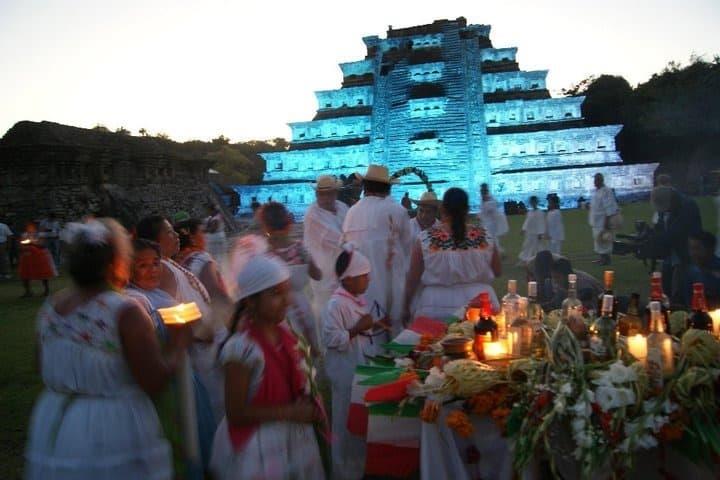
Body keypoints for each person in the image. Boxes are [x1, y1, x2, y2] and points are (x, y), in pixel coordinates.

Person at [25, 219, 192, 479]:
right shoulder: (125, 312)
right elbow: (154, 381)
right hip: (111, 428)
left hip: (57, 422)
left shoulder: (51, 308)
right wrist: (178, 342)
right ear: (116, 261)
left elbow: (39, 364)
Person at [210, 253, 325, 479]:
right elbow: (236, 413)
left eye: (286, 291)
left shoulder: (288, 336)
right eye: (275, 294)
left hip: (293, 436)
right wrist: (290, 412)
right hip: (259, 445)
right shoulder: (241, 350)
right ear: (250, 301)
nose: (287, 300)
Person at [126, 239, 216, 475]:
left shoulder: (161, 295)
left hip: (188, 377)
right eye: (143, 265)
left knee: (197, 432)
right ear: (128, 268)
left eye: (155, 263)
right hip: (165, 380)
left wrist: (195, 326)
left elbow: (202, 333)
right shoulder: (133, 301)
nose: (152, 270)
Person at [136, 215, 224, 421]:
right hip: (196, 352)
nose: (177, 235)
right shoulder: (162, 269)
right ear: (155, 240)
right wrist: (203, 332)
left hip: (205, 345)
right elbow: (170, 311)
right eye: (169, 232)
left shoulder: (168, 263)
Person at [323, 246, 387, 479]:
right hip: (345, 374)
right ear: (348, 279)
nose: (368, 279)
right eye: (364, 275)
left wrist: (374, 325)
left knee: (360, 421)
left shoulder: (355, 299)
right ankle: (345, 470)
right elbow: (331, 339)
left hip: (358, 371)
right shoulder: (336, 305)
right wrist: (358, 328)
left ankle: (361, 465)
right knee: (345, 422)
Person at [403, 187, 502, 320]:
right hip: (479, 304)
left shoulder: (426, 238)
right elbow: (497, 271)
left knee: (434, 340)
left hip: (435, 304)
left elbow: (413, 279)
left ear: (442, 210)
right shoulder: (485, 236)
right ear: (467, 210)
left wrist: (406, 305)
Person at [342, 164, 412, 335]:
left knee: (367, 339)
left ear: (365, 187)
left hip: (358, 286)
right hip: (389, 282)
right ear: (387, 188)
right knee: (394, 337)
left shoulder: (351, 212)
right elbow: (407, 246)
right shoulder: (396, 210)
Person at [257, 202, 322, 354]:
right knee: (309, 355)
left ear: (265, 226)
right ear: (288, 222)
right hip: (304, 306)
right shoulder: (299, 248)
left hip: (278, 312)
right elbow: (318, 275)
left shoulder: (265, 254)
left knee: (289, 353)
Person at [303, 174, 349, 319]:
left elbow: (350, 229)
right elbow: (338, 239)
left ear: (336, 193)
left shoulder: (342, 207)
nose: (326, 198)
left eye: (329, 193)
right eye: (322, 194)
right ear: (316, 194)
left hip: (345, 267)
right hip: (324, 271)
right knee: (326, 312)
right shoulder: (313, 214)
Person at [175, 217, 233, 324]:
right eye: (202, 232)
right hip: (213, 322)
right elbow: (215, 293)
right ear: (192, 238)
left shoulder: (178, 261)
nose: (206, 236)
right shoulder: (201, 258)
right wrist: (235, 315)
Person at [652, 186, 703, 304]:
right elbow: (661, 227)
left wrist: (660, 239)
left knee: (679, 285)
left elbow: (677, 233)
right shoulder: (670, 206)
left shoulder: (688, 206)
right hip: (672, 251)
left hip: (685, 252)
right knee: (665, 283)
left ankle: (678, 307)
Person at [589, 173, 620, 265]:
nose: (594, 182)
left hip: (603, 221)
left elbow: (609, 207)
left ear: (600, 180)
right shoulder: (597, 191)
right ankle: (601, 258)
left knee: (604, 240)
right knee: (598, 240)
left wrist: (607, 221)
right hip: (596, 221)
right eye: (594, 180)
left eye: (596, 180)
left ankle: (606, 259)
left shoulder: (606, 191)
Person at [19, 221, 57, 297]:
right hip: (28, 256)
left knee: (43, 273)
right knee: (25, 274)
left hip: (39, 257)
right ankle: (28, 291)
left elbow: (42, 245)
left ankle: (46, 291)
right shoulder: (25, 235)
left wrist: (32, 243)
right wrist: (24, 245)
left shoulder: (40, 235)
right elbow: (22, 244)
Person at [686, 231, 720, 309]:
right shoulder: (691, 272)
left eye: (697, 248)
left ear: (710, 249)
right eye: (691, 248)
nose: (692, 253)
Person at [477, 183, 509, 255]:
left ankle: (495, 252)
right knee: (490, 238)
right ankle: (496, 251)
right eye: (481, 191)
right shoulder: (484, 198)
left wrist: (482, 215)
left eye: (483, 190)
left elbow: (491, 210)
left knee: (490, 237)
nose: (481, 192)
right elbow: (484, 210)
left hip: (490, 223)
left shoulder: (490, 199)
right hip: (486, 222)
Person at [518, 196, 546, 264]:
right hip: (529, 233)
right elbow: (527, 221)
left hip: (536, 233)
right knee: (526, 246)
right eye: (531, 202)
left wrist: (540, 233)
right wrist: (523, 229)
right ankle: (524, 259)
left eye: (534, 202)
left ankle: (541, 259)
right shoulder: (530, 212)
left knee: (538, 247)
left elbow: (541, 223)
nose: (533, 203)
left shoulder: (540, 212)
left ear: (536, 202)